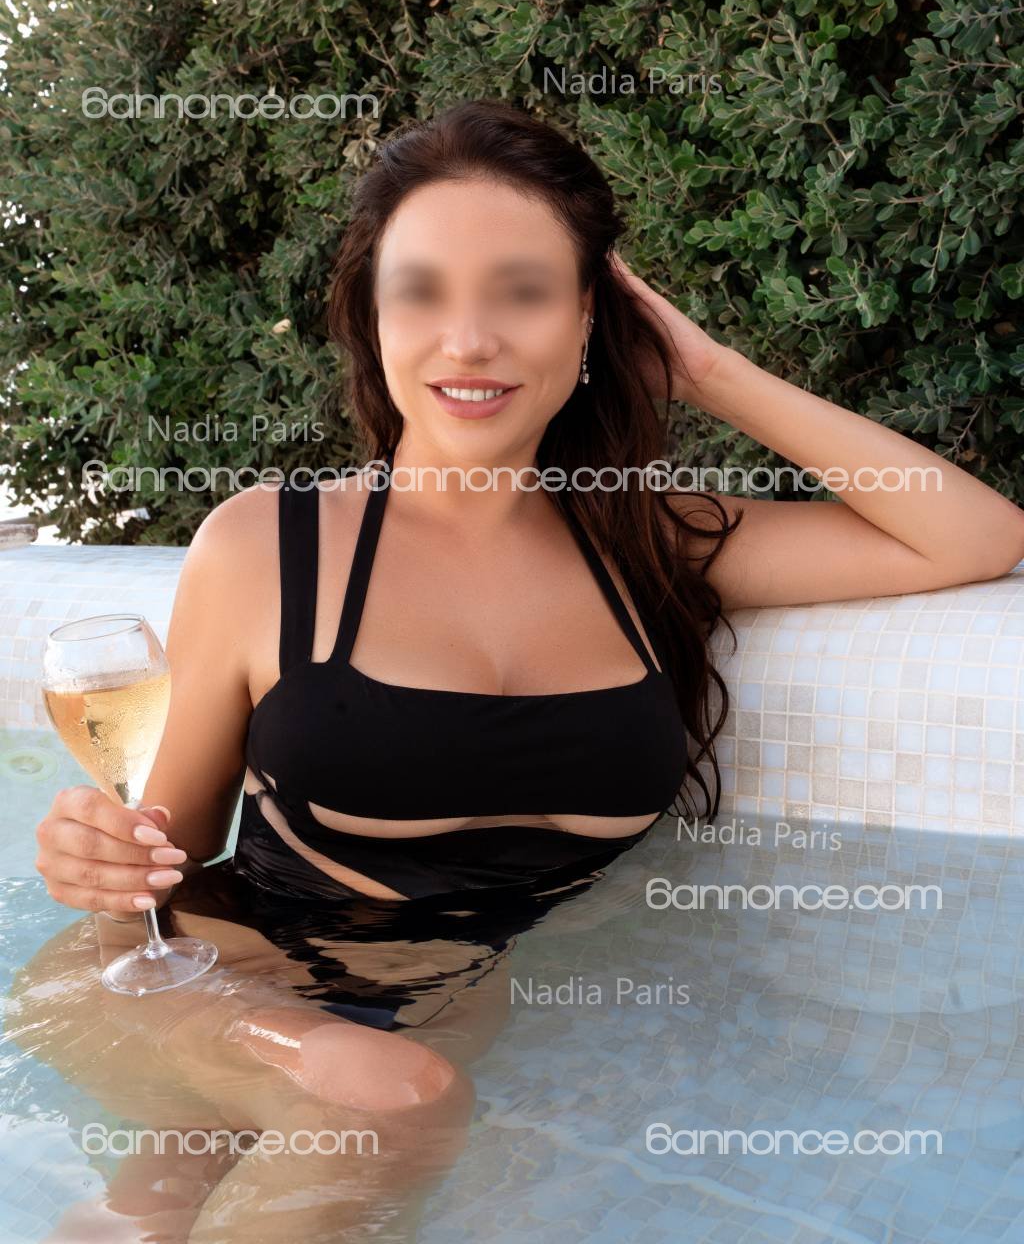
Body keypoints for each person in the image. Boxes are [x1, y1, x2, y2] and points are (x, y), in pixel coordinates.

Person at [20, 99, 1024, 1241]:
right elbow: (166, 850)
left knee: (180, 1204)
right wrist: (95, 853)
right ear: (372, 317)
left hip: (432, 1003)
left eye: (523, 291)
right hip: (201, 980)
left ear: (593, 318)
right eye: (422, 291)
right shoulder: (269, 546)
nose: (469, 341)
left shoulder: (647, 542)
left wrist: (710, 372)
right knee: (387, 1105)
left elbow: (972, 536)